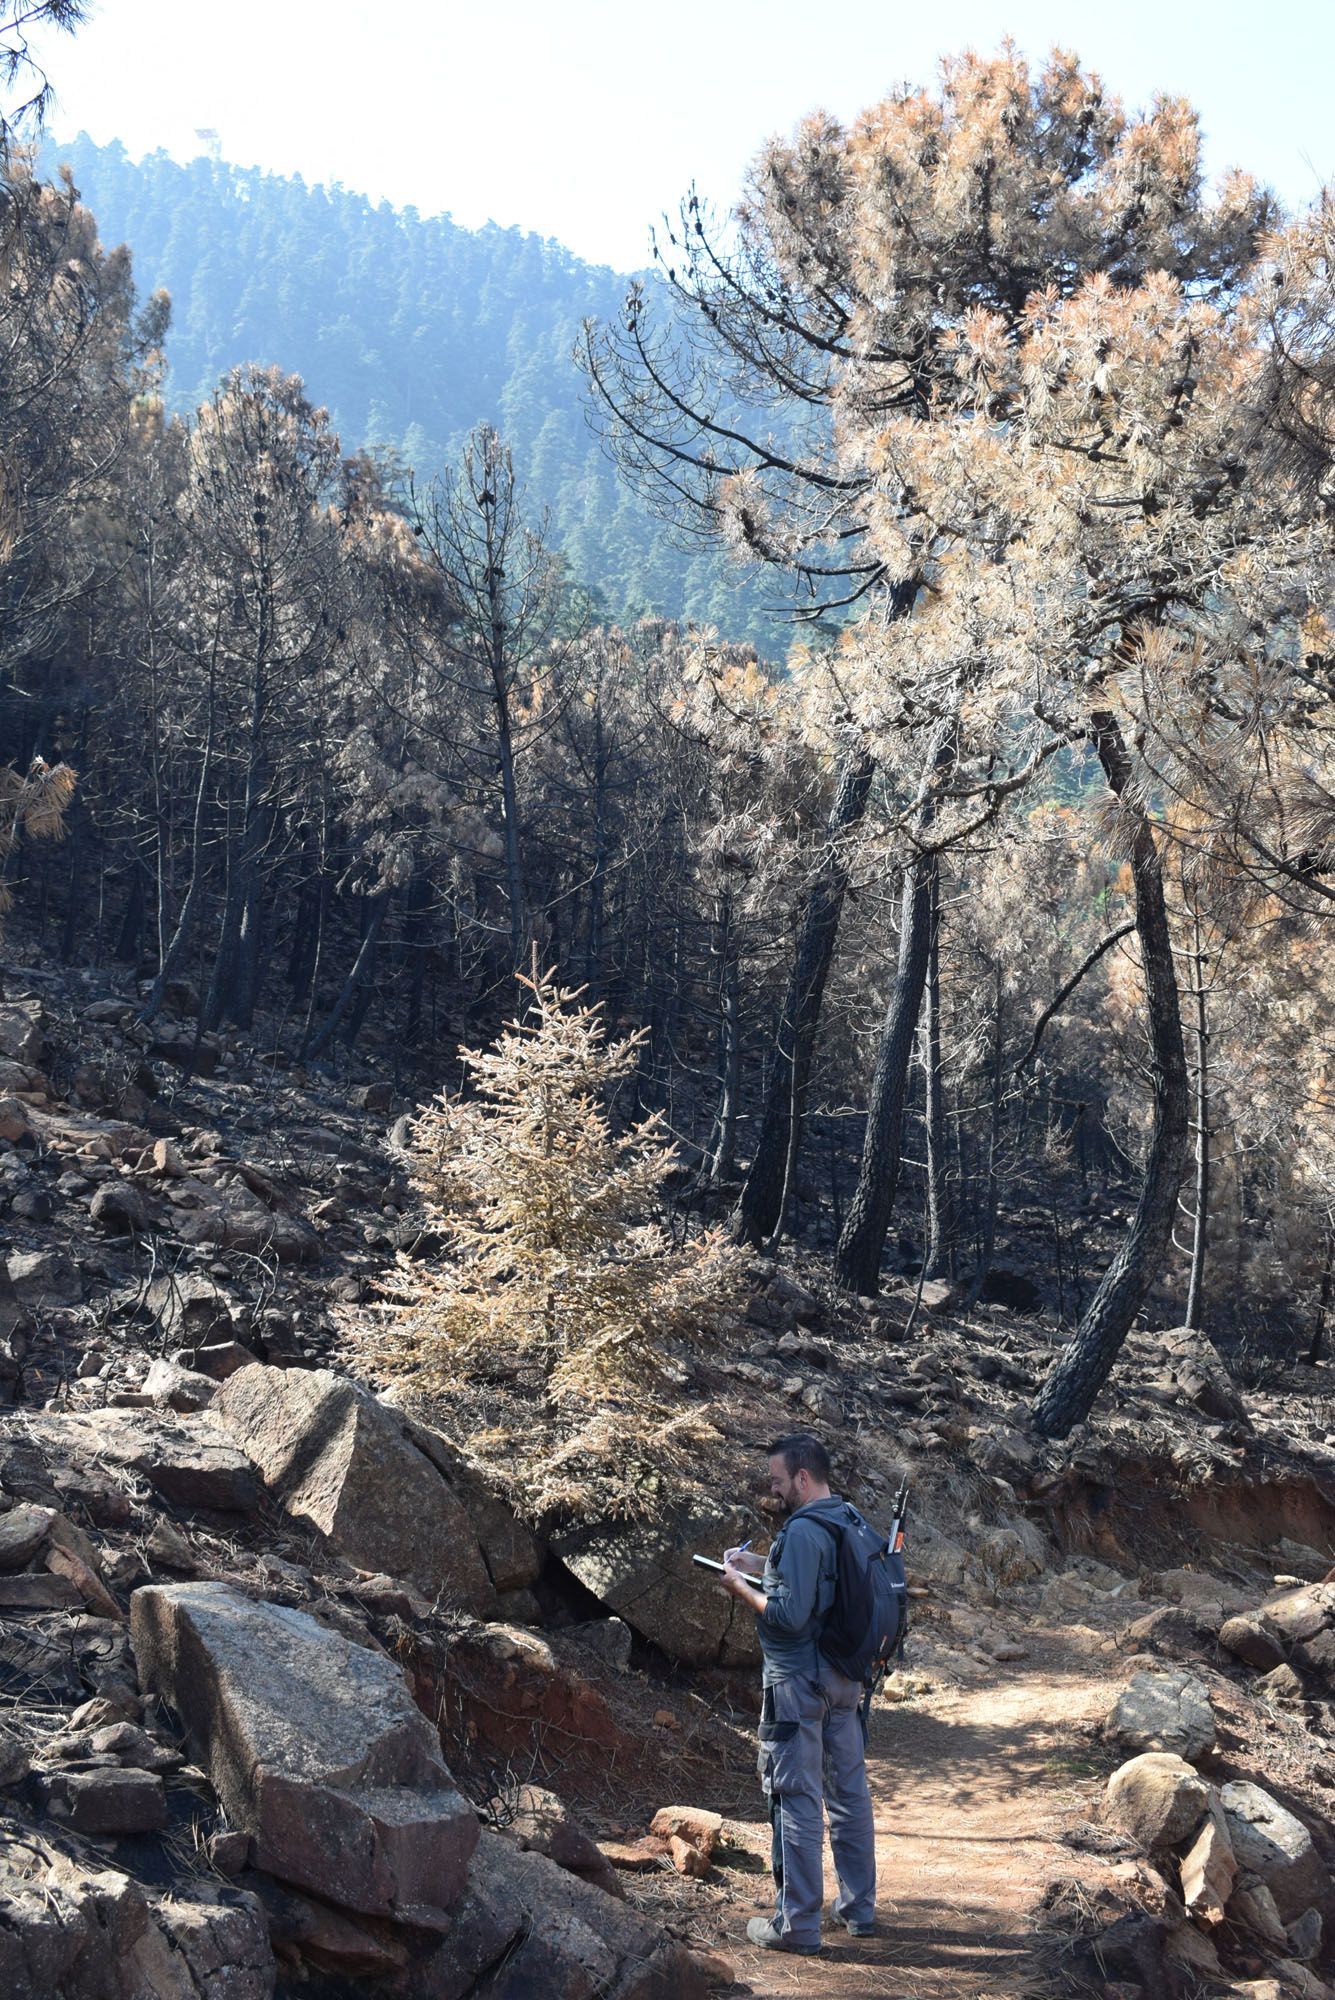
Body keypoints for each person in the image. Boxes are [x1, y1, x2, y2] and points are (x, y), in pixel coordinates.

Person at [720, 1432, 877, 1955]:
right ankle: (859, 1909)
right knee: (849, 1795)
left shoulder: (803, 1530)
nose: (774, 1489)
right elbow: (818, 1583)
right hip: (844, 1680)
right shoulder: (848, 1519)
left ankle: (797, 1926)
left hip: (799, 1685)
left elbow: (788, 1614)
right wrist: (759, 1566)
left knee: (796, 1798)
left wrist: (741, 1589)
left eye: (778, 1480)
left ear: (802, 1478)